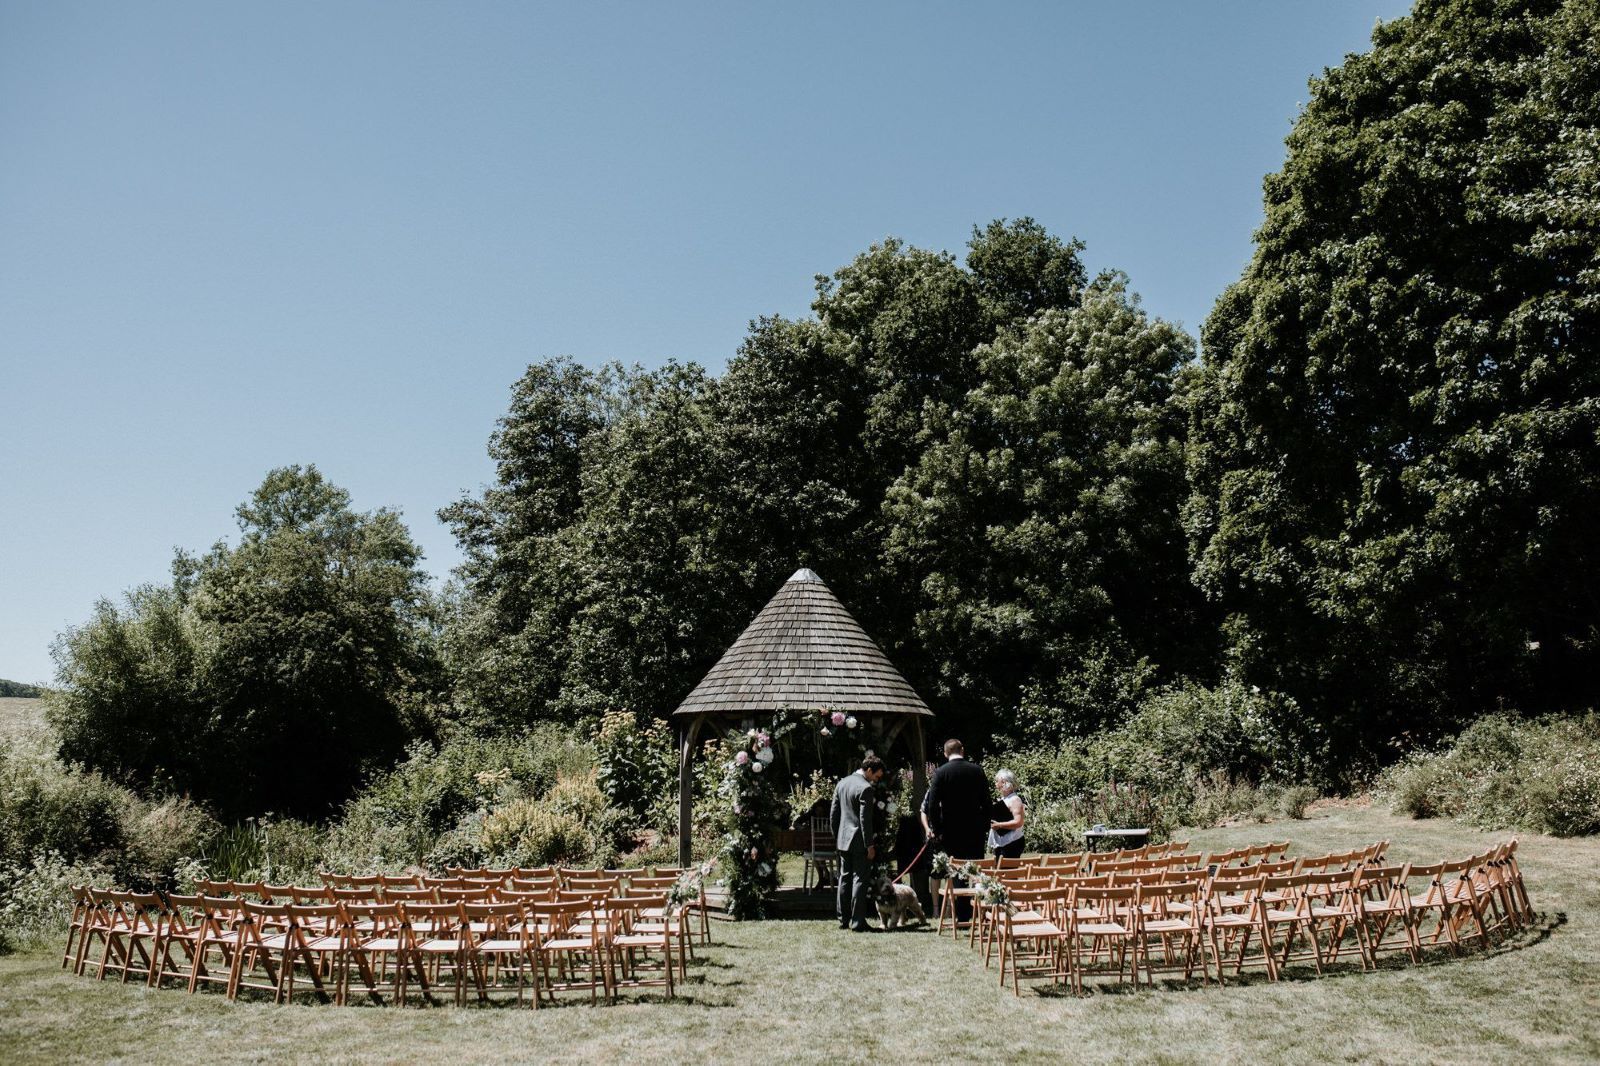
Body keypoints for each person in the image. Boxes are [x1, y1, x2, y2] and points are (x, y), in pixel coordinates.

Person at [920, 739, 988, 920]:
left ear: (945, 753)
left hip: (951, 831)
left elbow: (932, 805)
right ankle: (977, 911)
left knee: (956, 870)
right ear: (962, 750)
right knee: (975, 869)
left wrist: (938, 829)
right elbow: (987, 803)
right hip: (974, 831)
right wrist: (984, 826)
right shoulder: (977, 771)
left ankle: (962, 914)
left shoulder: (941, 773)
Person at [830, 753, 887, 932]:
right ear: (869, 770)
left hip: (843, 840)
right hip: (860, 841)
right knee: (860, 880)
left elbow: (834, 814)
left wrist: (837, 836)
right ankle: (857, 922)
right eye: (876, 776)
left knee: (844, 878)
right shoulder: (865, 788)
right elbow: (865, 820)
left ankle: (843, 920)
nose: (877, 780)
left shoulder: (842, 783)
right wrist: (869, 844)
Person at [988, 768, 1027, 858]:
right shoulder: (1005, 799)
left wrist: (999, 825)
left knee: (1007, 871)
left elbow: (1019, 822)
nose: (995, 783)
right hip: (1004, 843)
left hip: (1012, 843)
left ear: (1004, 782)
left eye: (997, 781)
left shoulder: (1015, 800)